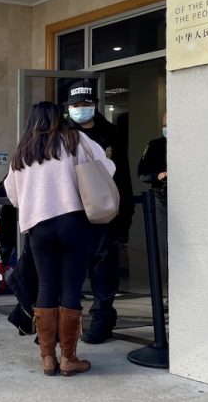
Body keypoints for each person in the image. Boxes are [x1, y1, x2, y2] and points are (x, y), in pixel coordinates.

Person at [4, 101, 115, 377]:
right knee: (70, 288)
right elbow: (106, 169)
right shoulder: (75, 139)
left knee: (46, 288)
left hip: (38, 228)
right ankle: (69, 358)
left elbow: (12, 194)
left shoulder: (22, 151)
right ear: (59, 117)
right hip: (73, 223)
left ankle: (47, 359)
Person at [65, 80, 134, 345]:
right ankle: (71, 322)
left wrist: (124, 219)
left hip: (105, 212)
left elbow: (123, 177)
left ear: (94, 105)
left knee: (104, 269)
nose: (80, 109)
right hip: (73, 211)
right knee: (72, 269)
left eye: (85, 104)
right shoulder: (63, 134)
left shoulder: (111, 134)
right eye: (75, 105)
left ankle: (102, 318)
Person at [138, 111, 168, 281]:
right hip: (161, 199)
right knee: (163, 247)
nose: (166, 128)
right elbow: (142, 173)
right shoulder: (155, 145)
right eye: (164, 125)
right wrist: (159, 175)